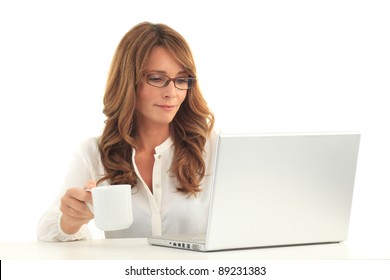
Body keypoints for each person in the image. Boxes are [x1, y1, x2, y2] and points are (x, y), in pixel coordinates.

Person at [37, 22, 218, 241]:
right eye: (157, 78)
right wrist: (71, 221)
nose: (172, 92)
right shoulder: (94, 152)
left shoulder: (213, 149)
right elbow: (47, 230)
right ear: (128, 80)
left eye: (181, 80)